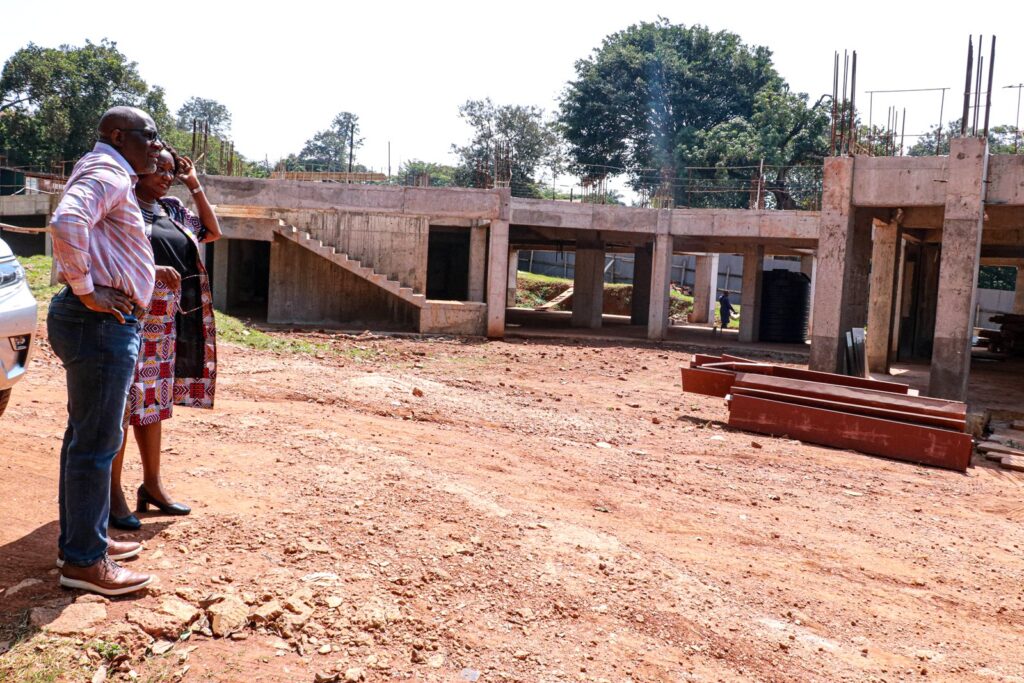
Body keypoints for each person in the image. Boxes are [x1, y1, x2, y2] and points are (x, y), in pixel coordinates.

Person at [47, 106, 162, 596]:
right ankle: (84, 562)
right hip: (98, 322)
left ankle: (81, 542)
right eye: (149, 135)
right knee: (95, 446)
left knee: (87, 439)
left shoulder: (104, 168)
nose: (158, 146)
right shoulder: (108, 170)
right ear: (117, 135)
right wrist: (88, 288)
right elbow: (67, 221)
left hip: (97, 322)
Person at [109, 145, 221, 529]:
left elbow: (212, 232)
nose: (166, 175)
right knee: (121, 408)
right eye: (160, 168)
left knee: (151, 404)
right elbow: (111, 253)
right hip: (127, 315)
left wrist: (194, 186)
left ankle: (152, 486)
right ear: (139, 167)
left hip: (165, 323)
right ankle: (112, 493)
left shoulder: (171, 209)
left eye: (172, 170)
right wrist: (152, 269)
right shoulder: (120, 203)